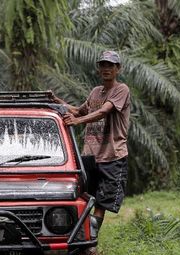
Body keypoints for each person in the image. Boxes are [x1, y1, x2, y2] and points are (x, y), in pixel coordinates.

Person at [52, 50, 130, 229]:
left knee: (102, 202)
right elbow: (79, 111)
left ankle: (91, 239)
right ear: (98, 68)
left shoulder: (121, 89)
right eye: (103, 65)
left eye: (110, 65)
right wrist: (57, 102)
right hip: (91, 156)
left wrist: (77, 121)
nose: (106, 68)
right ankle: (82, 235)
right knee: (87, 197)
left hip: (113, 155)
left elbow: (104, 111)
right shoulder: (95, 92)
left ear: (118, 68)